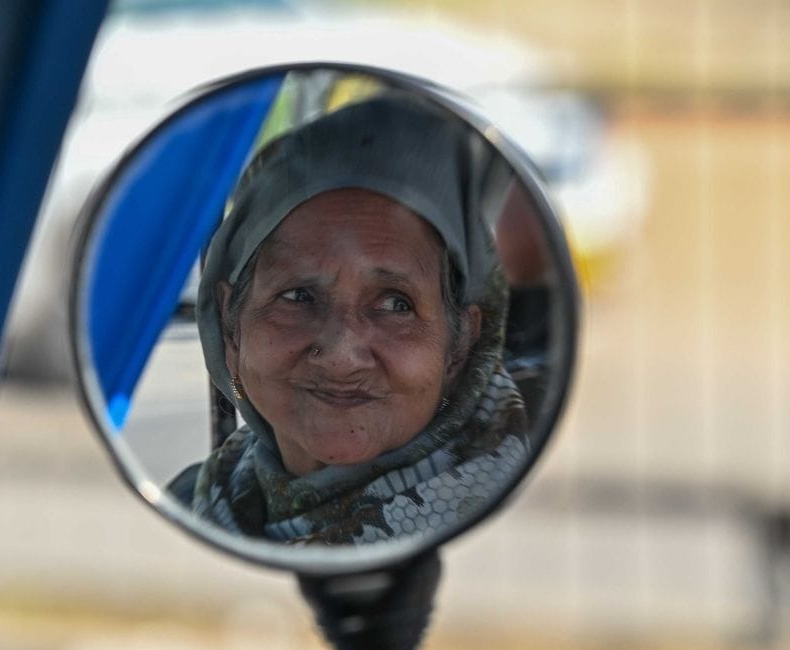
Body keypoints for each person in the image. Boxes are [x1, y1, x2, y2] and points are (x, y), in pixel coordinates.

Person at [173, 91, 534, 545]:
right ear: (231, 324)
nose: (342, 357)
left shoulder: (520, 526)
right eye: (298, 295)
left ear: (460, 343)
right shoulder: (192, 504)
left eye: (395, 304)